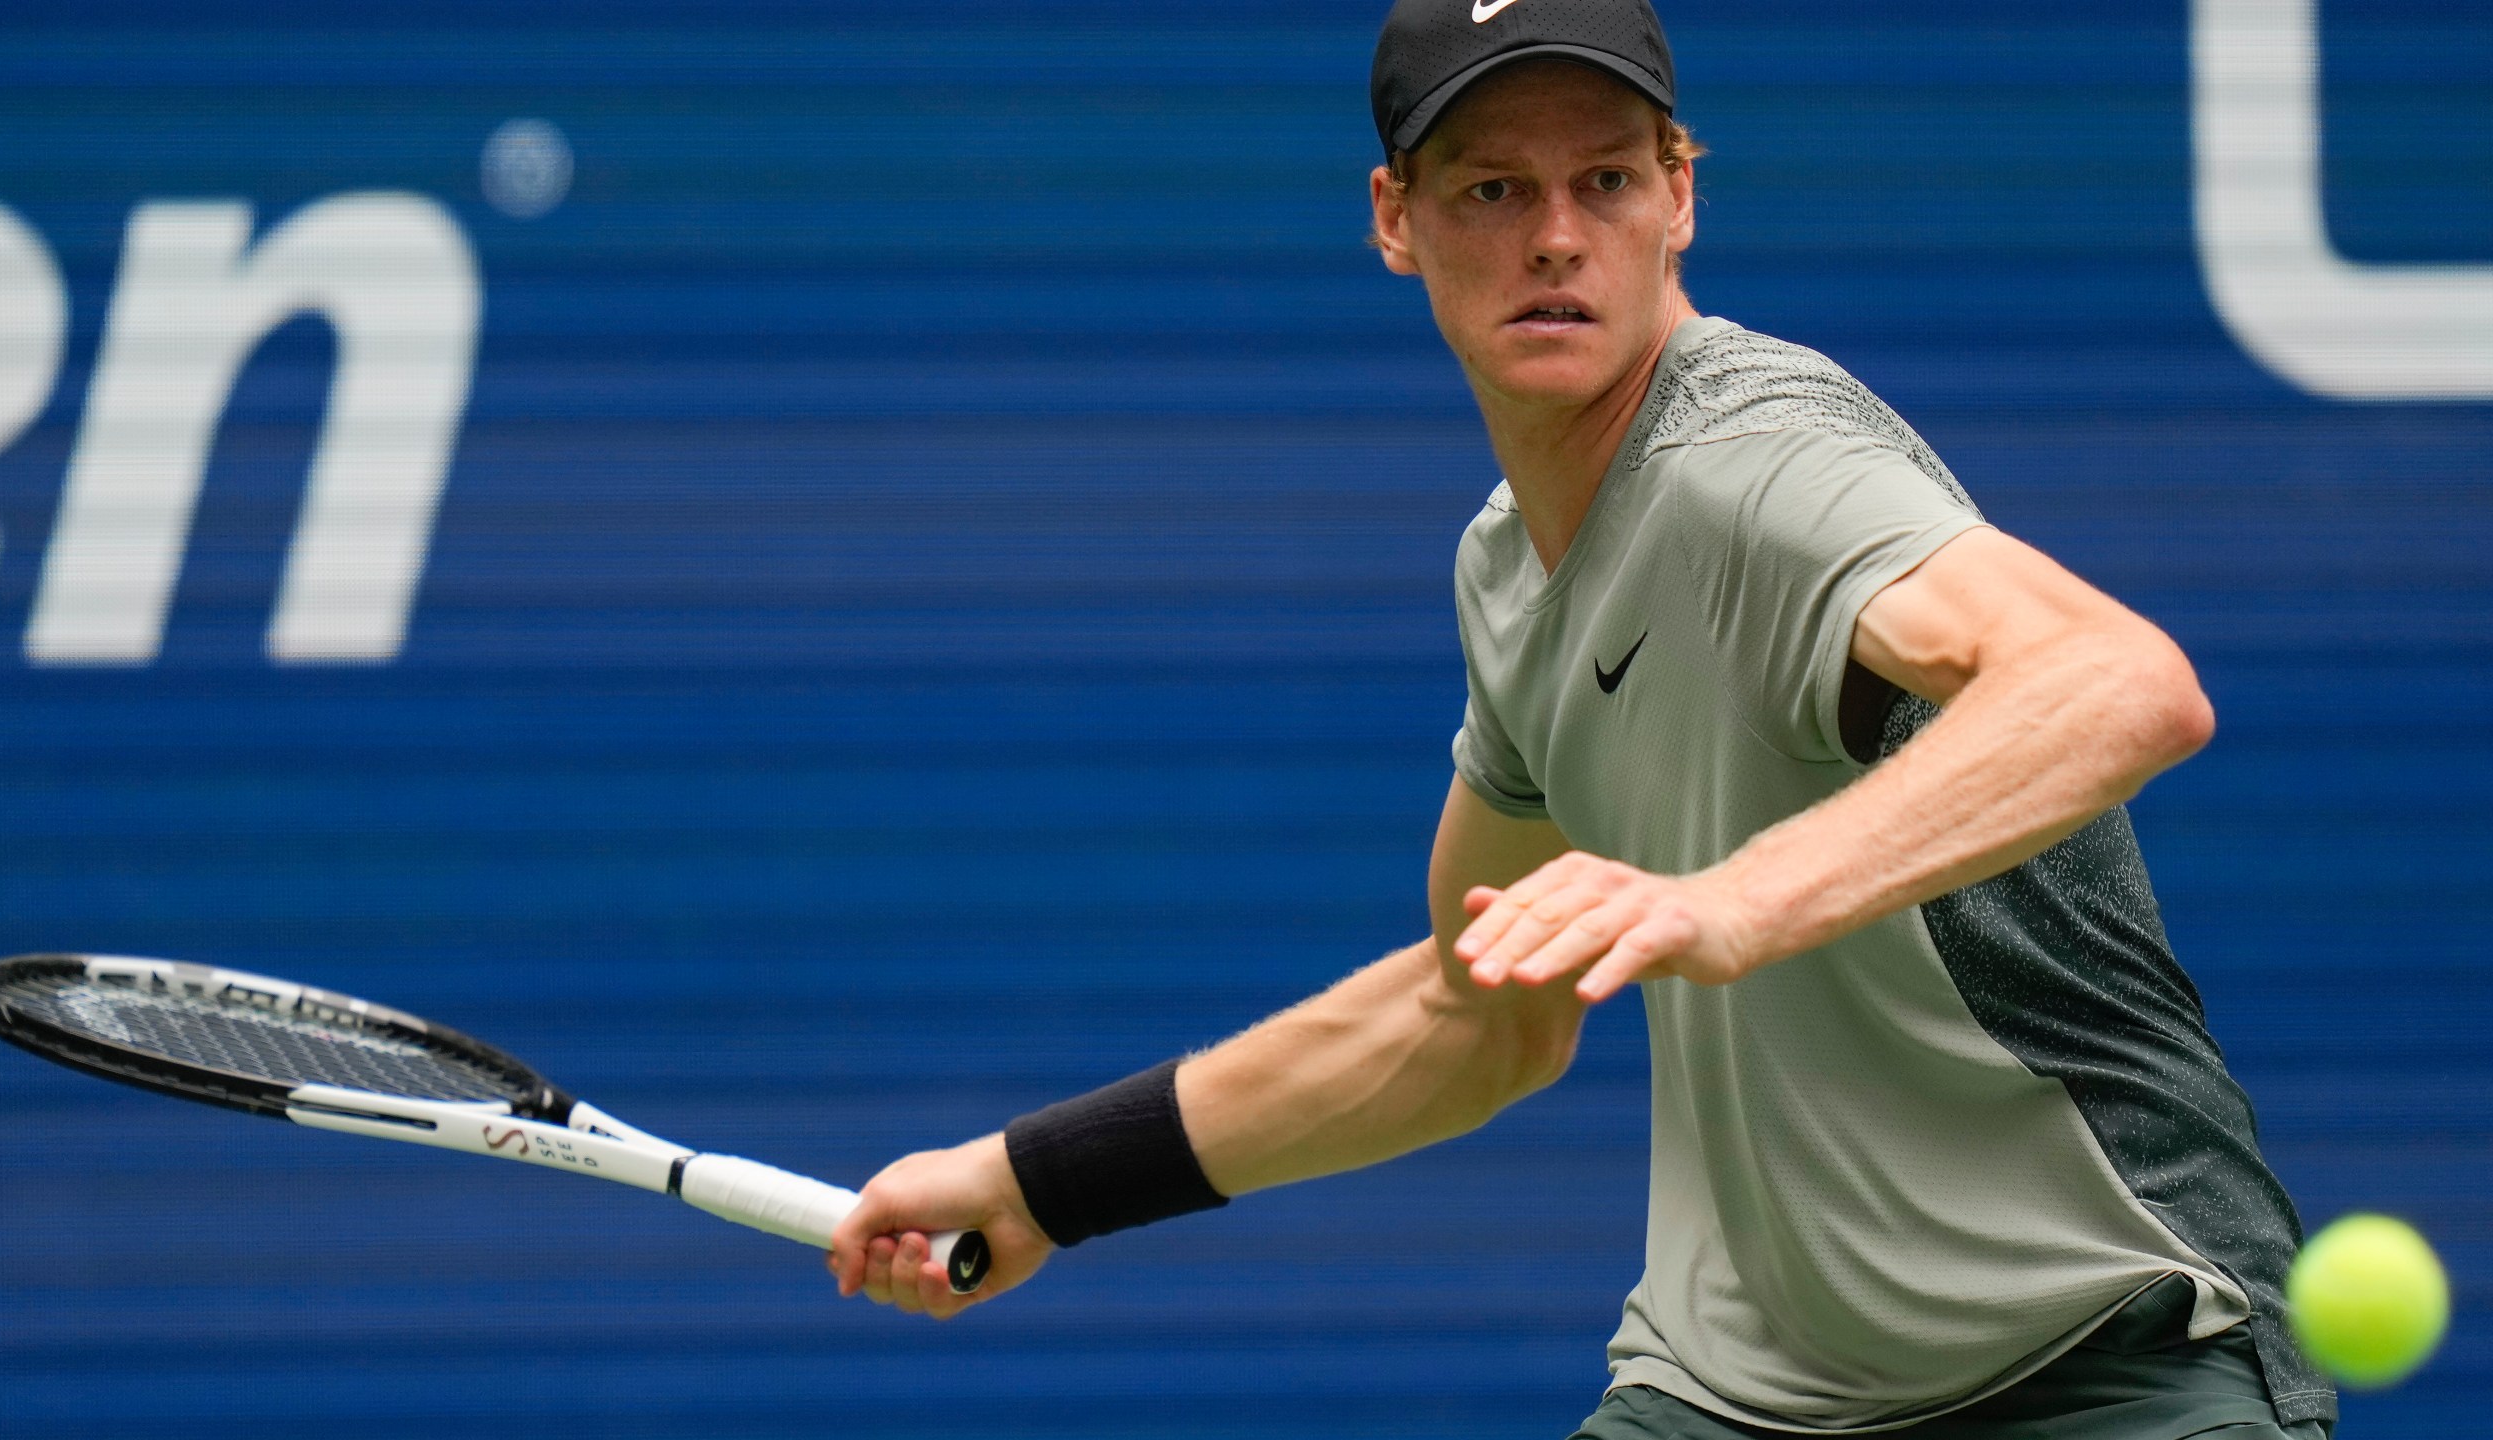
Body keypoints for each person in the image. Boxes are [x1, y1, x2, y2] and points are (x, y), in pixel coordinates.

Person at [825, 2, 2336, 1435]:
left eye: (1604, 177)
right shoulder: (1508, 566)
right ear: (1394, 219)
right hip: (1746, 1390)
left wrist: (1731, 899)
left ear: (1680, 197)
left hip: (2109, 1344)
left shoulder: (1756, 464)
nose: (1555, 235)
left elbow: (2121, 681)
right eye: (1490, 189)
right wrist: (1037, 1182)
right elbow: (1475, 1014)